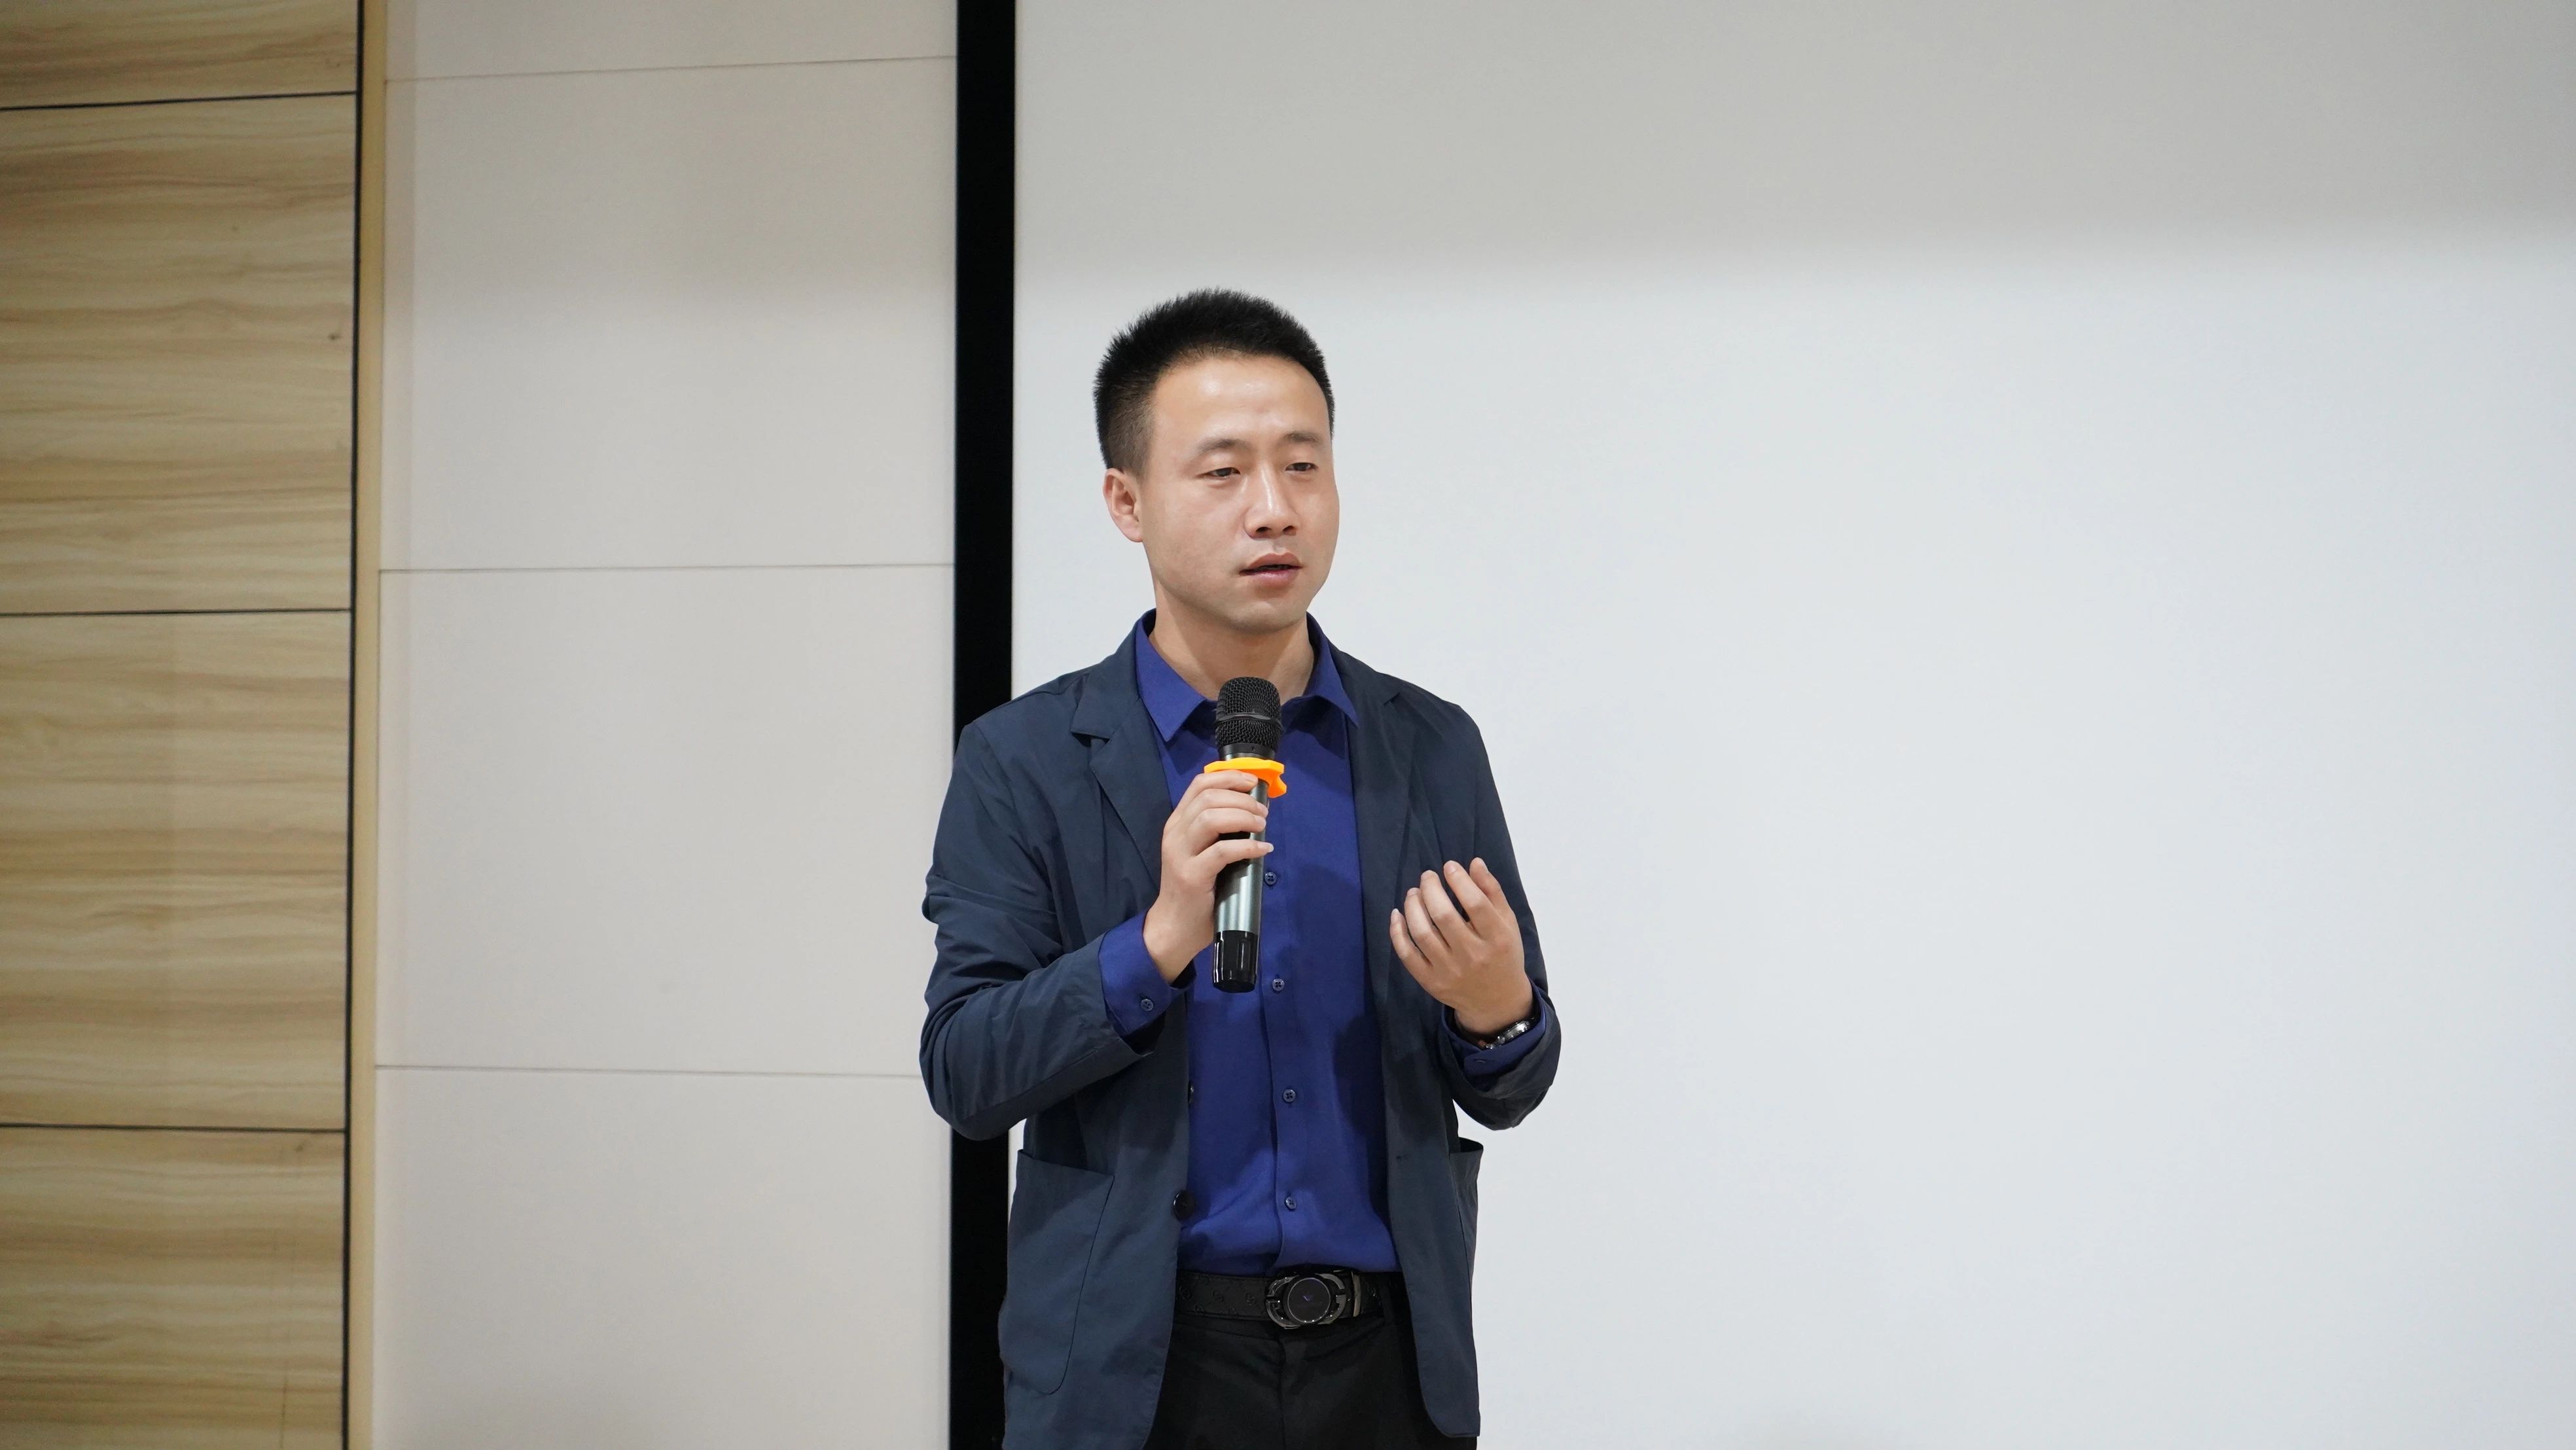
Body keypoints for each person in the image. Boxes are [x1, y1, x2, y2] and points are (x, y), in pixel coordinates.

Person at [921, 290, 1562, 1450]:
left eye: (1303, 466)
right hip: (1136, 1369)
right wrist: (1158, 939)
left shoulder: (1427, 746)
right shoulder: (1024, 758)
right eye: (1223, 472)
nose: (1275, 508)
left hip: (1388, 1369)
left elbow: (1510, 1082)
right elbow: (966, 1071)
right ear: (1127, 502)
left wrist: (1496, 1009)